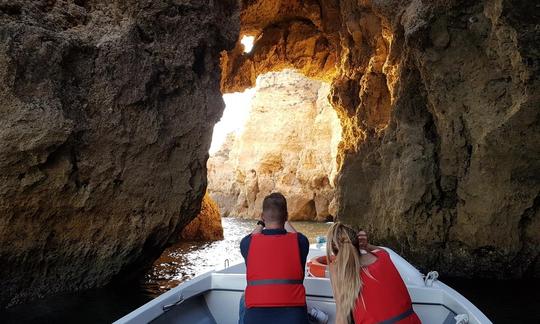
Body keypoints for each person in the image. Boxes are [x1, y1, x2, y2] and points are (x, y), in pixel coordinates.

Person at [326, 223, 421, 324]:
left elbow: (342, 317)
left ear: (334, 251)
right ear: (357, 244)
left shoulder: (338, 271)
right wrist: (367, 246)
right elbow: (385, 251)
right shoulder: (383, 256)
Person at [239, 192, 310, 324]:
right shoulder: (301, 242)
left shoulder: (247, 244)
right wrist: (284, 219)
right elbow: (295, 234)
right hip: (294, 318)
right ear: (286, 216)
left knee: (243, 299)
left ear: (262, 216)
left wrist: (261, 223)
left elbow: (254, 235)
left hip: (256, 319)